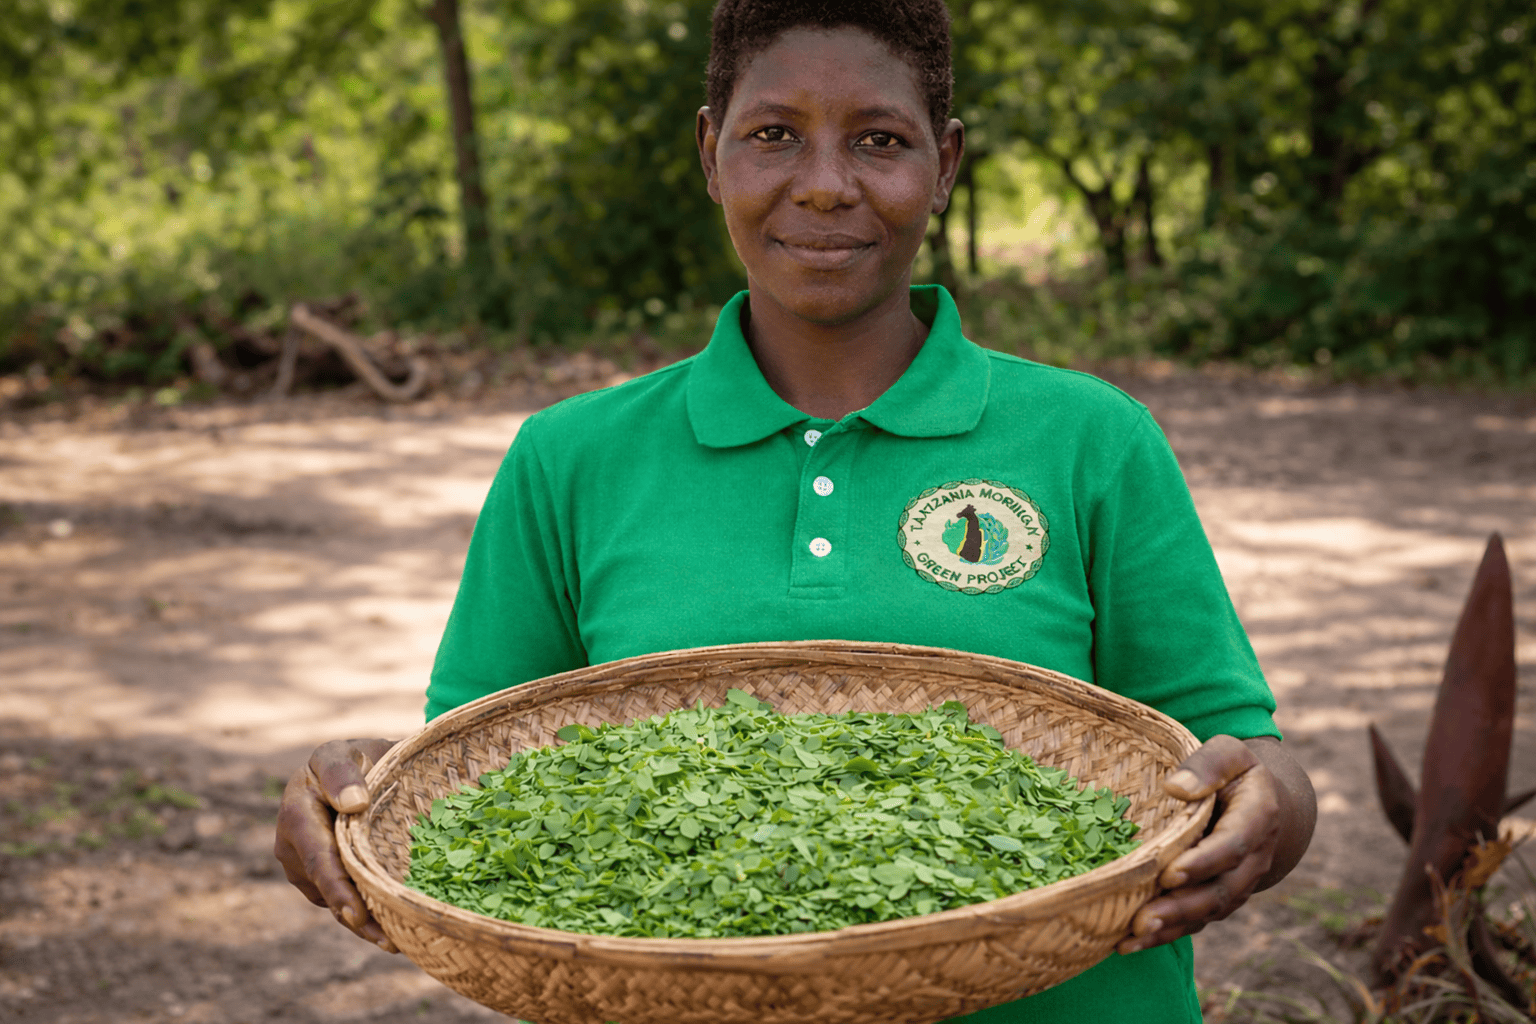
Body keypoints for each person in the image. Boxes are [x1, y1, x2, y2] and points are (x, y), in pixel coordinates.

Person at [275, 1, 1317, 1020]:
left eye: (879, 140)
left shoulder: (1092, 438)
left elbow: (1239, 756)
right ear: (710, 153)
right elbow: (468, 785)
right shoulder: (571, 458)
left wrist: (1266, 809)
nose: (824, 186)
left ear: (944, 165)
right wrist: (349, 816)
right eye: (774, 135)